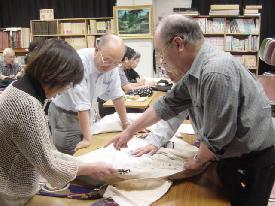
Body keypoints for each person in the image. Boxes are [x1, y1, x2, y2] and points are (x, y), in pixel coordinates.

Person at [107, 14, 275, 206]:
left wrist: (196, 161)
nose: (162, 59)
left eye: (162, 52)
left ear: (178, 44)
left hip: (253, 159)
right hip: (231, 156)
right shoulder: (197, 70)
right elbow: (167, 104)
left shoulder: (215, 71)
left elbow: (217, 136)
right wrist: (129, 131)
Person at [0, 39, 115, 206]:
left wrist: (83, 164)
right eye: (67, 83)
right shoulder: (27, 105)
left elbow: (46, 151)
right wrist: (92, 168)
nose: (65, 90)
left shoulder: (17, 88)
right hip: (11, 192)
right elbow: (49, 166)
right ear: (55, 76)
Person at [49, 34, 129, 155]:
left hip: (85, 114)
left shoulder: (112, 67)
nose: (109, 66)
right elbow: (82, 104)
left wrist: (126, 124)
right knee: (70, 156)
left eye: (116, 63)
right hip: (64, 115)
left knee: (88, 152)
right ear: (96, 49)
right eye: (106, 60)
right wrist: (87, 138)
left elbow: (117, 95)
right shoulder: (78, 62)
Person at [97, 46, 153, 117]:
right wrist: (146, 85)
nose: (134, 62)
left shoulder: (120, 69)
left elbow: (127, 85)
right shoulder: (118, 70)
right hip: (108, 106)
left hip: (111, 103)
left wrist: (140, 84)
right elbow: (128, 88)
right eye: (133, 59)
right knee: (141, 112)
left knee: (143, 110)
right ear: (126, 59)